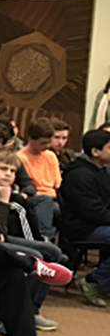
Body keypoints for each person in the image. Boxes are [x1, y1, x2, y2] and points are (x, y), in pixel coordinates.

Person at [0, 147, 70, 331]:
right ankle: (1, 319)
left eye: (13, 171)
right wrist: (3, 201)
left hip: (0, 237)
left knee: (53, 251)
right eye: (3, 169)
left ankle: (31, 310)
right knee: (34, 257)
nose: (8, 174)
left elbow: (1, 230)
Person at [59, 128, 110, 306]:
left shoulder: (102, 171)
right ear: (95, 151)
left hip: (98, 224)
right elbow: (92, 212)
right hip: (82, 228)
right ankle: (93, 282)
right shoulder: (80, 175)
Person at [17, 119, 61, 200]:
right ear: (30, 139)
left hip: (53, 195)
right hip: (34, 197)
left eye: (49, 142)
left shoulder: (50, 155)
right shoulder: (20, 158)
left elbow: (57, 183)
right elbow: (27, 187)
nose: (47, 145)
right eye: (43, 143)